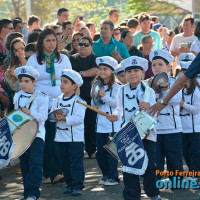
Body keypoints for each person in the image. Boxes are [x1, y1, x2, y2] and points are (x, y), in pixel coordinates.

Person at [108, 56, 161, 200]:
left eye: (136, 70)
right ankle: (131, 195)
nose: (133, 74)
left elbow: (154, 112)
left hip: (146, 135)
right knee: (128, 166)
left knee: (149, 165)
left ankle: (153, 193)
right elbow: (119, 109)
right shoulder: (121, 90)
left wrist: (149, 107)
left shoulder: (148, 90)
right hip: (128, 135)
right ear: (125, 73)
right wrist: (114, 115)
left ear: (143, 72)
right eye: (129, 71)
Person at [27, 28, 72, 184]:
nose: (52, 43)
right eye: (48, 40)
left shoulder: (63, 59)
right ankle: (49, 173)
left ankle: (55, 172)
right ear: (41, 42)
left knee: (56, 138)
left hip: (58, 103)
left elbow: (70, 79)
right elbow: (29, 82)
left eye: (54, 40)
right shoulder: (33, 60)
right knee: (43, 140)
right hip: (40, 105)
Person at [14, 65, 49, 200]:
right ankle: (26, 193)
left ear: (34, 82)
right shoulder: (17, 96)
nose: (23, 84)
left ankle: (33, 193)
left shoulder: (41, 97)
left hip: (37, 134)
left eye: (27, 81)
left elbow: (43, 117)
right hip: (22, 135)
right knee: (25, 164)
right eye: (21, 81)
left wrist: (31, 113)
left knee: (35, 163)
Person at [149, 49, 183, 185]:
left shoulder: (175, 82)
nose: (156, 67)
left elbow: (176, 100)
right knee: (155, 159)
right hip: (155, 129)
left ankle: (177, 183)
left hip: (172, 128)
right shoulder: (147, 84)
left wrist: (165, 90)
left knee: (173, 157)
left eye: (160, 64)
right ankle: (155, 183)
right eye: (154, 65)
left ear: (168, 66)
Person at [51, 69, 86, 196]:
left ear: (74, 86)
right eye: (61, 81)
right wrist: (54, 117)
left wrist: (65, 118)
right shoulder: (56, 100)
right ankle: (69, 183)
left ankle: (78, 185)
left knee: (75, 163)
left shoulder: (79, 101)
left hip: (75, 138)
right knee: (64, 163)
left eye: (66, 82)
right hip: (60, 137)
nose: (62, 84)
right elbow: (51, 117)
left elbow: (79, 119)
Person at [91, 56, 121, 186]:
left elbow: (117, 104)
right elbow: (94, 104)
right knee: (100, 152)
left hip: (113, 125)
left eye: (105, 69)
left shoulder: (117, 87)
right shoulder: (96, 85)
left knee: (111, 152)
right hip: (101, 125)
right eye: (100, 69)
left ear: (112, 71)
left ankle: (114, 177)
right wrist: (96, 97)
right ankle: (105, 175)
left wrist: (105, 96)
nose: (102, 71)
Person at [70, 36, 98, 159]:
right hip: (74, 95)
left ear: (91, 47)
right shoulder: (72, 58)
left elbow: (96, 71)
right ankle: (77, 150)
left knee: (90, 122)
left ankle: (91, 150)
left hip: (90, 94)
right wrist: (85, 73)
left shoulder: (94, 58)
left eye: (86, 44)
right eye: (81, 44)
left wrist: (79, 74)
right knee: (76, 123)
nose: (83, 46)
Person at [179, 61, 200, 181]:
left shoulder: (197, 91)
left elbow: (197, 110)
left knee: (194, 153)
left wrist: (183, 104)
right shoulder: (180, 90)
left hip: (195, 128)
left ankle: (195, 173)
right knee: (185, 153)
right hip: (183, 128)